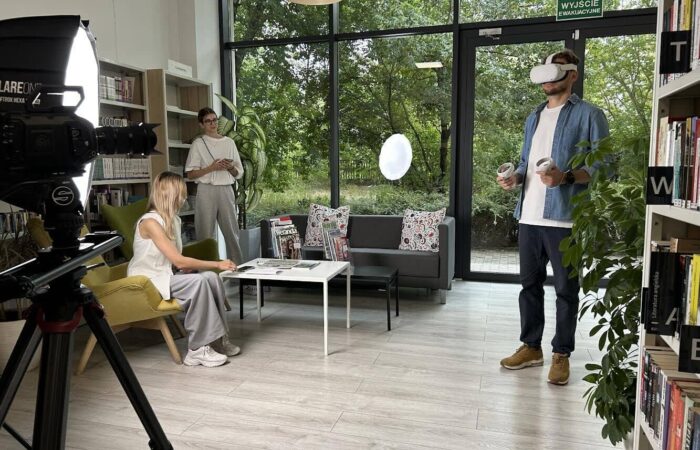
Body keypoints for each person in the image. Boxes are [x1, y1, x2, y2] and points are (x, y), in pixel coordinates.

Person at [497, 49, 609, 385]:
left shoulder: (590, 115)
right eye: (546, 71)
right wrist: (515, 178)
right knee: (529, 286)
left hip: (565, 219)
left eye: (557, 70)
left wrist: (567, 177)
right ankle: (531, 347)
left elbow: (605, 167)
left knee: (565, 291)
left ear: (572, 74)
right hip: (529, 217)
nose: (548, 78)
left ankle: (561, 354)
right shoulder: (533, 117)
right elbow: (525, 162)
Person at [127, 171, 241, 368]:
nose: (184, 199)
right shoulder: (150, 222)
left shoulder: (174, 220)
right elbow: (179, 261)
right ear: (170, 195)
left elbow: (171, 260)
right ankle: (197, 350)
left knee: (211, 278)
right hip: (146, 281)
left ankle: (217, 341)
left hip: (165, 275)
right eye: (181, 194)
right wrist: (217, 264)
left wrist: (185, 268)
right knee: (199, 282)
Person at [185, 107, 244, 264]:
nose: (212, 124)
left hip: (226, 190)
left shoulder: (229, 143)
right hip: (206, 191)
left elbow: (239, 173)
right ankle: (206, 269)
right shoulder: (198, 144)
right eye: (208, 121)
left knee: (232, 233)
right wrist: (211, 168)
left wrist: (229, 167)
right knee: (205, 234)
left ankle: (237, 268)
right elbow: (190, 174)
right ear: (201, 124)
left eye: (214, 120)